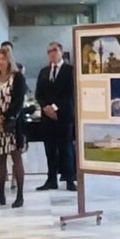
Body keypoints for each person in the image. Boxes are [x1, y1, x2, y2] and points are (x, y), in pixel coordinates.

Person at [0, 48, 27, 208]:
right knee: (0, 159)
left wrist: (4, 118)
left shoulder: (17, 77)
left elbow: (18, 102)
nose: (0, 62)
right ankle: (1, 195)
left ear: (8, 60)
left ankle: (19, 195)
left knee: (16, 158)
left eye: (2, 59)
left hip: (12, 124)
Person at [35, 42, 77, 191]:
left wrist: (54, 108)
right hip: (47, 117)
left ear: (61, 52)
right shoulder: (44, 71)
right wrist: (46, 107)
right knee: (50, 150)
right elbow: (39, 94)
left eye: (54, 50)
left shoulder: (70, 70)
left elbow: (69, 93)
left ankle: (70, 179)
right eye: (49, 51)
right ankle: (51, 179)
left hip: (63, 116)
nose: (52, 53)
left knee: (66, 149)